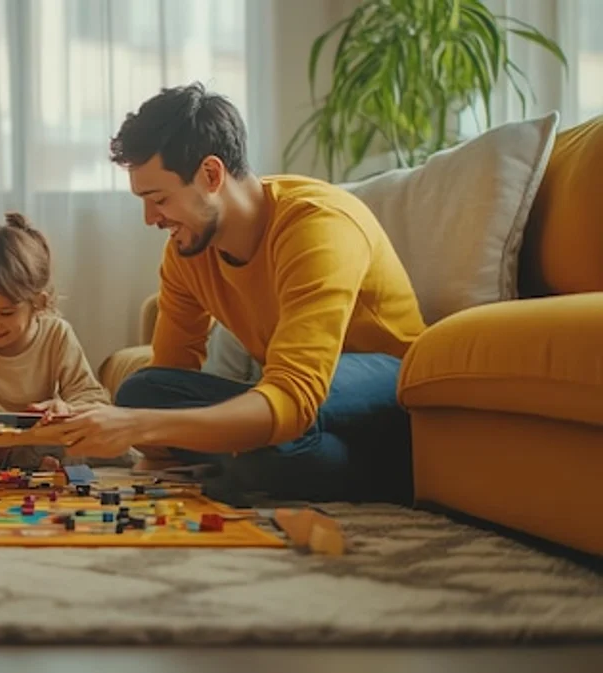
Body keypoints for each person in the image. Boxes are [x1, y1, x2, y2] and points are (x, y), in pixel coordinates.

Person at [54, 83, 427, 504]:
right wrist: (93, 425)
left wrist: (138, 427)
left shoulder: (317, 226)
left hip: (391, 389)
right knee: (142, 389)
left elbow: (294, 395)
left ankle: (289, 458)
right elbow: (170, 375)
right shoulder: (187, 251)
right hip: (292, 402)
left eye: (159, 199)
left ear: (211, 175)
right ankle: (258, 453)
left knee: (280, 431)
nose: (150, 218)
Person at [0, 212, 112, 473]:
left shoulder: (57, 334)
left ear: (38, 303)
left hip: (46, 442)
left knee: (113, 447)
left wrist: (66, 409)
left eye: (6, 313)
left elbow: (92, 398)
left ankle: (41, 463)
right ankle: (33, 465)